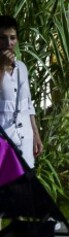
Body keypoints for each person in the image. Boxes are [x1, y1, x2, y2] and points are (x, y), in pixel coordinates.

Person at [0, 15, 42, 168]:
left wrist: (36, 135)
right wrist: (2, 68)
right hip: (4, 140)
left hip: (26, 137)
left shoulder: (22, 68)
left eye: (12, 38)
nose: (8, 43)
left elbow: (28, 104)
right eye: (3, 38)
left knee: (26, 184)